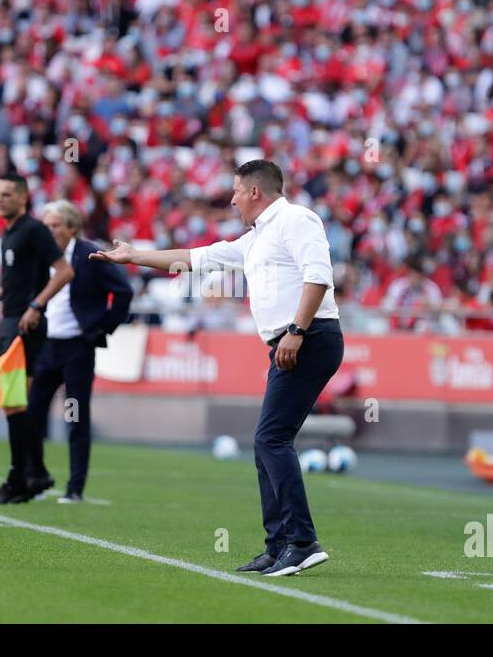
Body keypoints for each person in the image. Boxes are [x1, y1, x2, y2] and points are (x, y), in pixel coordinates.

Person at [92, 159, 342, 577]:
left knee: (271, 439)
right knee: (268, 443)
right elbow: (196, 258)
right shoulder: (257, 237)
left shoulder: (297, 219)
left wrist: (297, 330)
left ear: (256, 193)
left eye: (236, 191)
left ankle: (301, 541)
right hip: (292, 340)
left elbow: (318, 277)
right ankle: (278, 543)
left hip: (308, 337)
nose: (232, 199)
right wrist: (134, 256)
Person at [0, 175, 73, 503]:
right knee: (15, 404)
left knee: (13, 404)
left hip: (23, 326)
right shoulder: (9, 234)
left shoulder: (33, 230)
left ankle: (22, 475)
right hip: (11, 322)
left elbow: (65, 271)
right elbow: (12, 286)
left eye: (6, 194)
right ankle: (32, 473)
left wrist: (35, 306)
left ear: (23, 197)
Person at [30, 199, 131, 503]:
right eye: (45, 226)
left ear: (71, 227)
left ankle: (75, 488)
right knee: (33, 414)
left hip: (78, 348)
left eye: (55, 225)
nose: (49, 231)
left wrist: (102, 327)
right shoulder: (41, 255)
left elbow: (124, 291)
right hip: (47, 347)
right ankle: (35, 478)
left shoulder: (89, 253)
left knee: (75, 418)